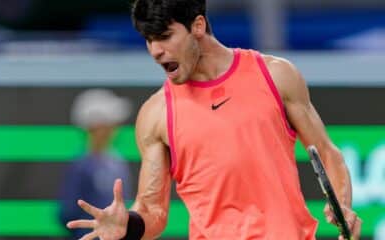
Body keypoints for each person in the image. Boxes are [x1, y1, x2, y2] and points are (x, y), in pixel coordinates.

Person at [67, 1, 362, 239]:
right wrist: (128, 226)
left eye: (165, 36)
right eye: (149, 40)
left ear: (198, 25)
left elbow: (326, 152)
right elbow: (152, 210)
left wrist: (344, 206)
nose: (156, 51)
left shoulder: (275, 75)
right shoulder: (156, 114)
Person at [59, 89, 133, 239]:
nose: (115, 129)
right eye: (110, 124)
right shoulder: (82, 166)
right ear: (96, 128)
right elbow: (67, 213)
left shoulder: (117, 163)